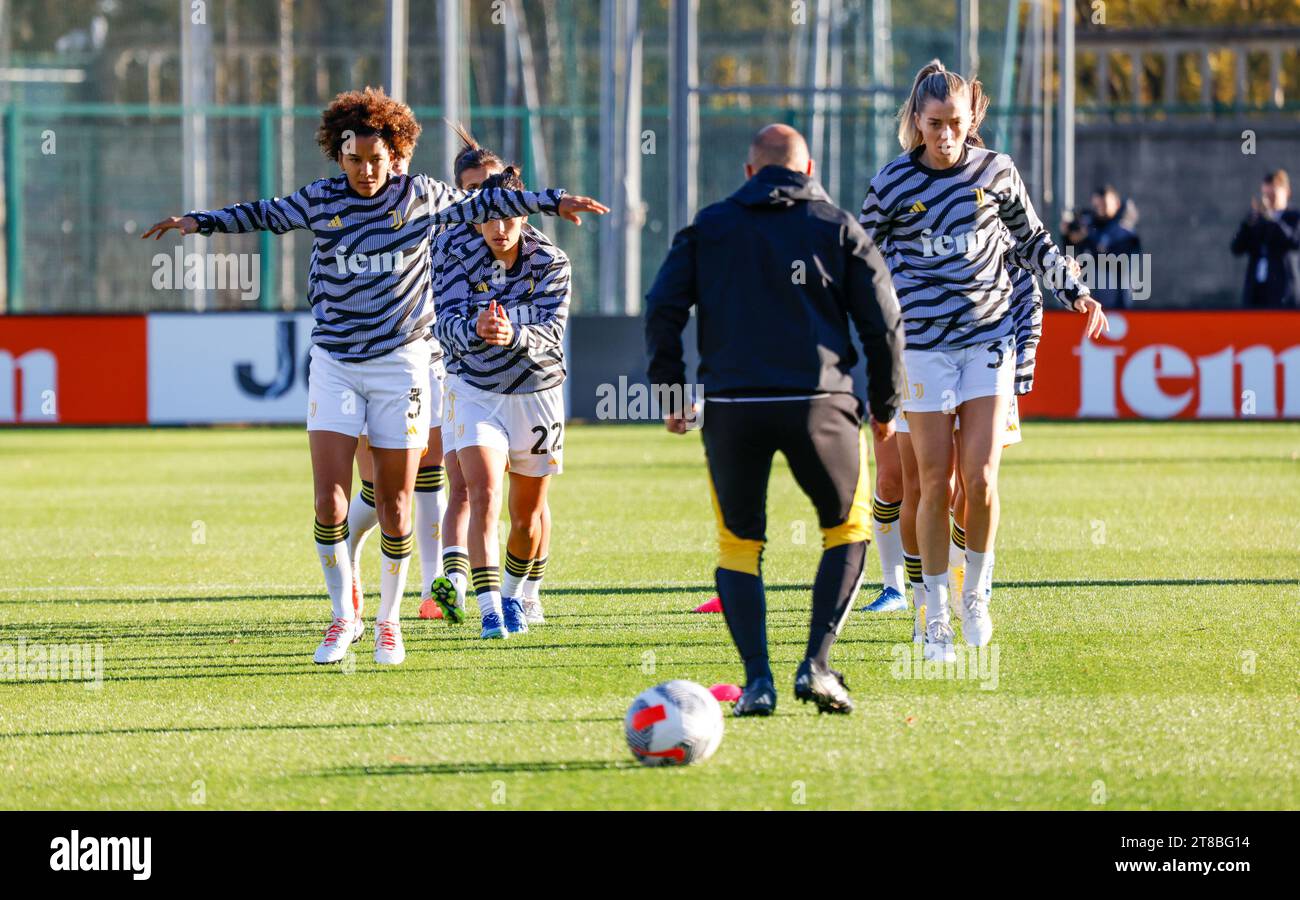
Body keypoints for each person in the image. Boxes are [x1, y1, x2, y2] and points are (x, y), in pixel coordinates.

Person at [142, 87, 606, 666]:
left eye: (376, 159)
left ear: (397, 154)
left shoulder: (423, 197)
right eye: (354, 159)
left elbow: (490, 203)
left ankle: (390, 621)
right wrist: (198, 222)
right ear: (338, 155)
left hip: (403, 362)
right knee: (329, 501)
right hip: (334, 361)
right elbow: (264, 212)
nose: (365, 171)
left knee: (395, 502)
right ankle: (345, 617)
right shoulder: (321, 199)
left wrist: (553, 201)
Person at [645, 123, 905, 716]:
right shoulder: (838, 226)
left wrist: (669, 390)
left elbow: (662, 306)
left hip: (734, 406)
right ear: (809, 169)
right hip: (822, 403)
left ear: (748, 173)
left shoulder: (709, 226)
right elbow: (885, 323)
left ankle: (757, 682)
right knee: (846, 530)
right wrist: (885, 407)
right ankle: (816, 666)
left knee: (739, 545)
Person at [859, 60, 1105, 663]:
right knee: (933, 483)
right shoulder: (891, 184)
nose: (945, 135)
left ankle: (978, 597)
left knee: (983, 479)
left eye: (956, 124)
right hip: (921, 349)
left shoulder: (997, 172)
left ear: (973, 121)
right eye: (935, 123)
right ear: (917, 121)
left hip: (987, 341)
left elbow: (1034, 240)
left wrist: (1076, 292)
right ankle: (935, 613)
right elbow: (858, 262)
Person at [432, 167, 571, 640]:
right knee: (481, 491)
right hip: (476, 390)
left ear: (523, 214)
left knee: (528, 514)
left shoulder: (553, 262)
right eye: (488, 218)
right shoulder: (454, 254)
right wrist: (475, 329)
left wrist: (515, 335)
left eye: (508, 217)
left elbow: (553, 335)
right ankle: (490, 610)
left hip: (537, 394)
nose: (499, 228)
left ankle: (516, 596)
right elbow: (443, 325)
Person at [1062, 184, 1141, 309]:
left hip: (1117, 300)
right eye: (1096, 206)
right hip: (1088, 296)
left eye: (1104, 205)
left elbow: (1113, 261)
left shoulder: (1125, 233)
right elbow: (1072, 252)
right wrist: (1069, 236)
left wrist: (1090, 236)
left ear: (1117, 204)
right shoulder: (1091, 227)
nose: (1099, 210)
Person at [1230, 169, 1300, 308]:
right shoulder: (1258, 219)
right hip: (1257, 288)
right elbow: (1236, 248)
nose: (1269, 199)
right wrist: (1248, 224)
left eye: (1273, 195)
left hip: (1283, 289)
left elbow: (1293, 242)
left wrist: (1272, 219)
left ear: (1286, 192)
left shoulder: (1294, 217)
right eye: (1266, 195)